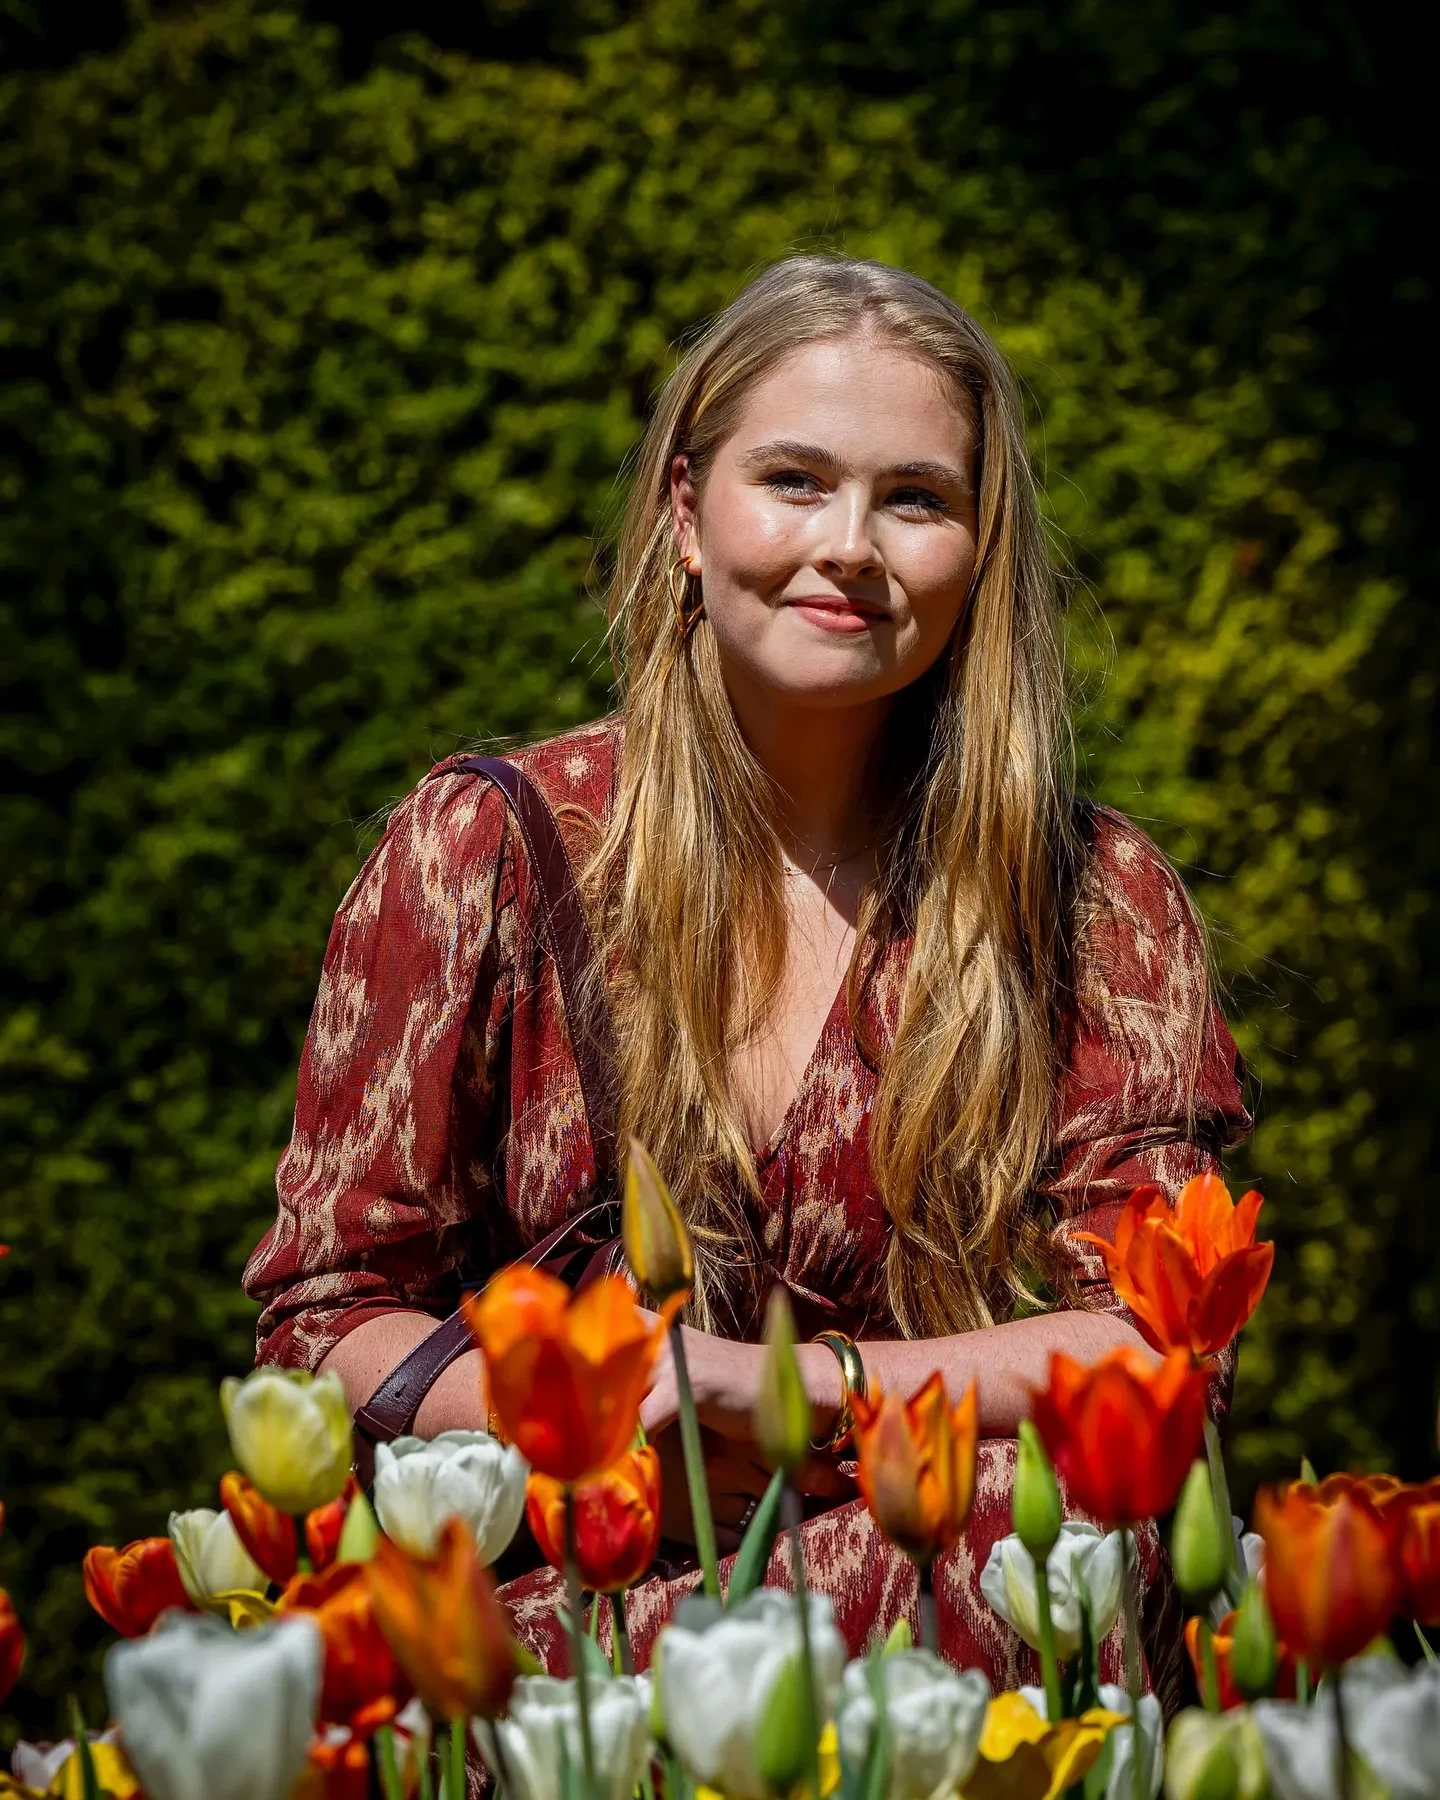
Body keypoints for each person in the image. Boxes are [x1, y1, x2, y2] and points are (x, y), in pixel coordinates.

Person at [243, 255, 1249, 1707]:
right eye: (794, 480)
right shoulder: (491, 854)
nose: (849, 546)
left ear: (980, 552)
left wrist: (798, 1394)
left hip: (952, 1650)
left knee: (1057, 1514)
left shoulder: (1088, 897)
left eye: (916, 499)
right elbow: (329, 1312)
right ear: (685, 515)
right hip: (571, 1644)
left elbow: (1163, 1340)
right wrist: (592, 1426)